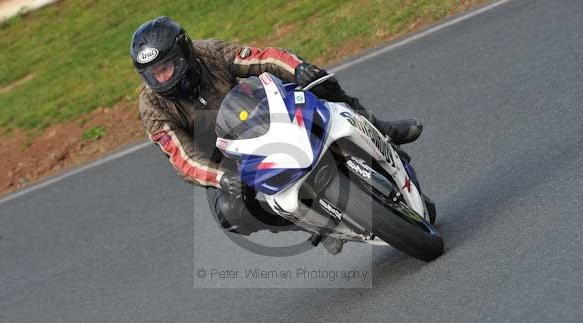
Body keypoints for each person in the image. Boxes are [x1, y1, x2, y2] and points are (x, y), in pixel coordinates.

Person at [130, 16, 422, 255]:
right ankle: (313, 225)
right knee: (230, 212)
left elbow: (263, 59)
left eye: (166, 68)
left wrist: (299, 69)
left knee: (318, 81)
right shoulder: (153, 107)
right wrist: (221, 178)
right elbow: (183, 158)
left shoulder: (209, 53)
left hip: (261, 113)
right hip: (229, 158)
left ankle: (379, 127)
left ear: (184, 53)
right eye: (153, 74)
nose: (161, 79)